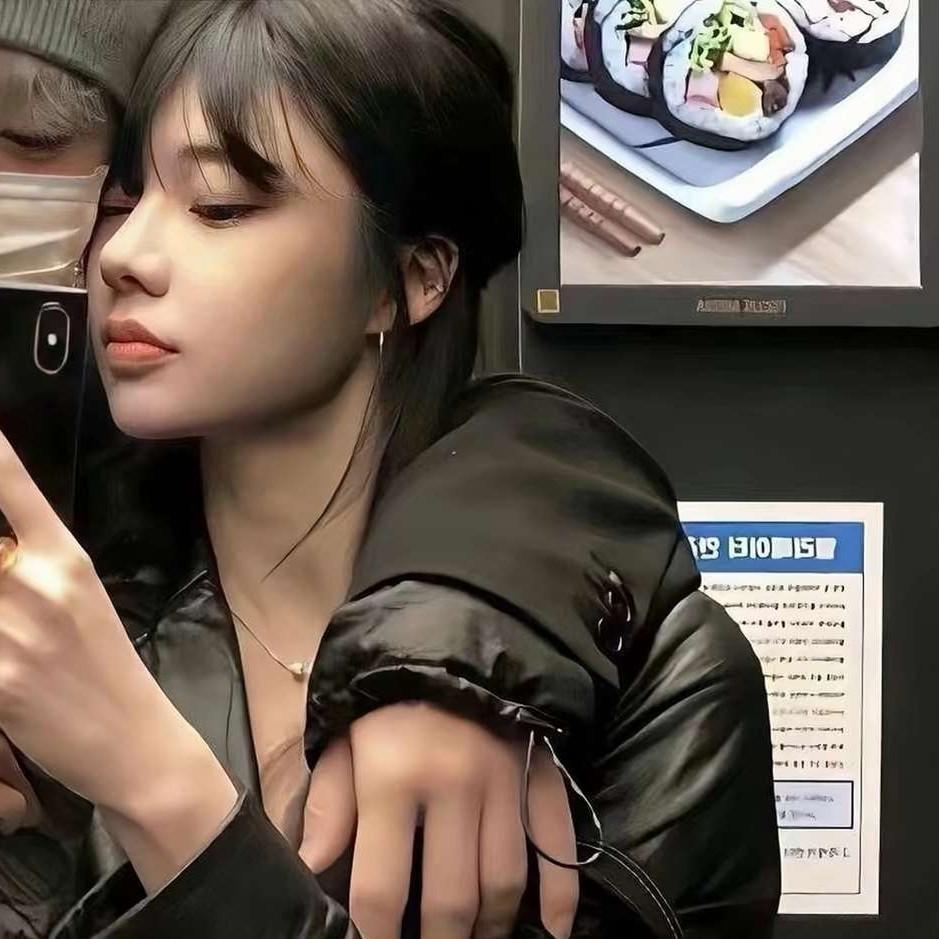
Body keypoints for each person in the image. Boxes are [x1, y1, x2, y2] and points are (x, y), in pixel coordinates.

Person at [0, 1, 781, 937]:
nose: (125, 256)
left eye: (219, 206)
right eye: (122, 205)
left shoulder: (650, 679)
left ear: (411, 277)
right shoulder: (67, 599)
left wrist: (155, 786)